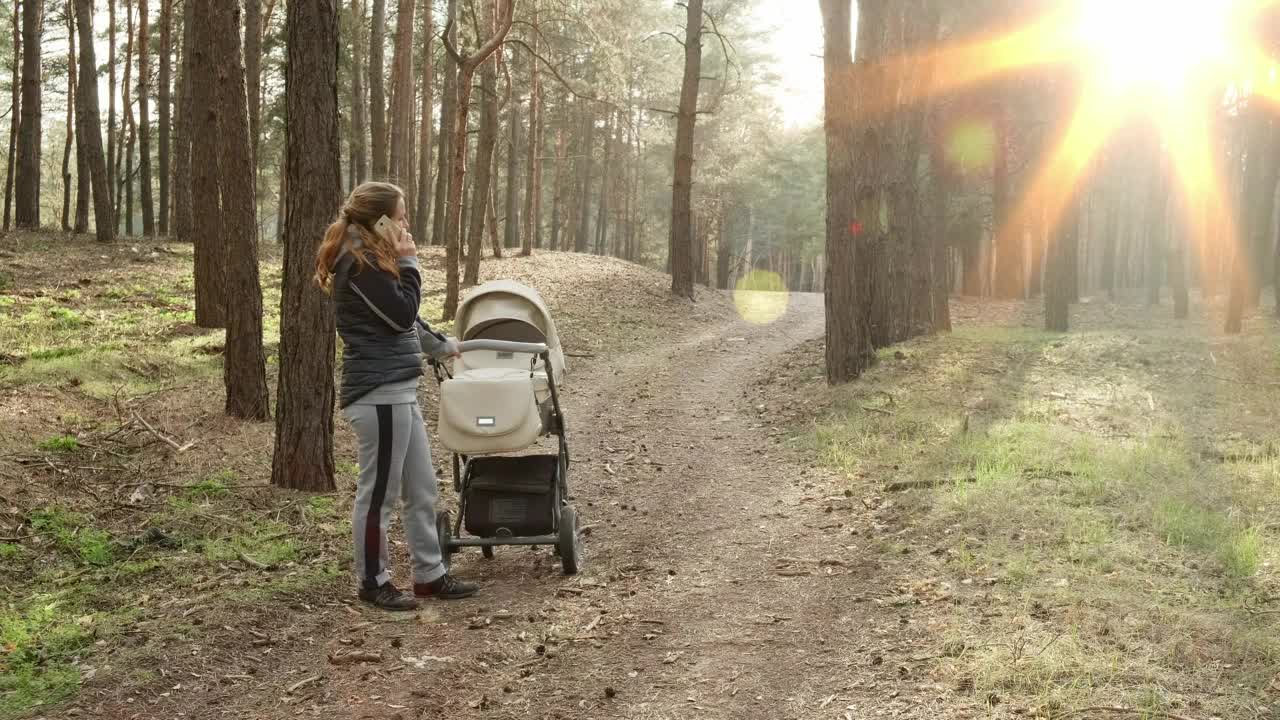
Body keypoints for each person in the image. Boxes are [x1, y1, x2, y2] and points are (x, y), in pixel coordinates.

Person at [314, 181, 479, 610]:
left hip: (400, 389)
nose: (406, 224)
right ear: (380, 220)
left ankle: (430, 575)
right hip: (378, 393)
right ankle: (373, 581)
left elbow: (404, 322)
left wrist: (442, 344)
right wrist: (411, 264)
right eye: (401, 216)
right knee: (378, 495)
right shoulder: (359, 264)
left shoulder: (374, 260)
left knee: (421, 488)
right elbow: (401, 311)